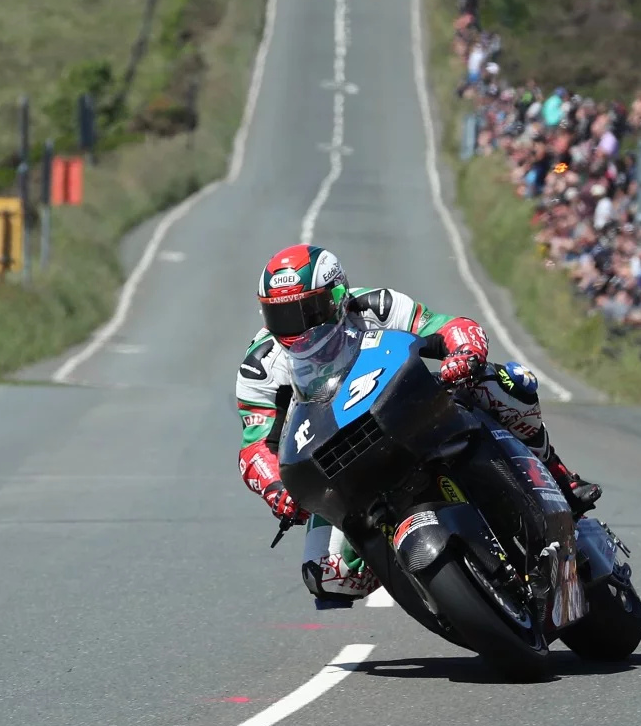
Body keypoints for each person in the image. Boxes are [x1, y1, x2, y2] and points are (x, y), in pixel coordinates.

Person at [234, 245, 601, 607]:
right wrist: (276, 489)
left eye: (308, 311)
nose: (298, 329)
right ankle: (425, 578)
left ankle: (559, 475)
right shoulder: (262, 365)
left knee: (503, 385)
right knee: (327, 576)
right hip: (344, 462)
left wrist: (464, 353)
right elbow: (255, 447)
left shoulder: (376, 306)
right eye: (281, 317)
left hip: (412, 413)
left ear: (337, 297)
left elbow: (448, 326)